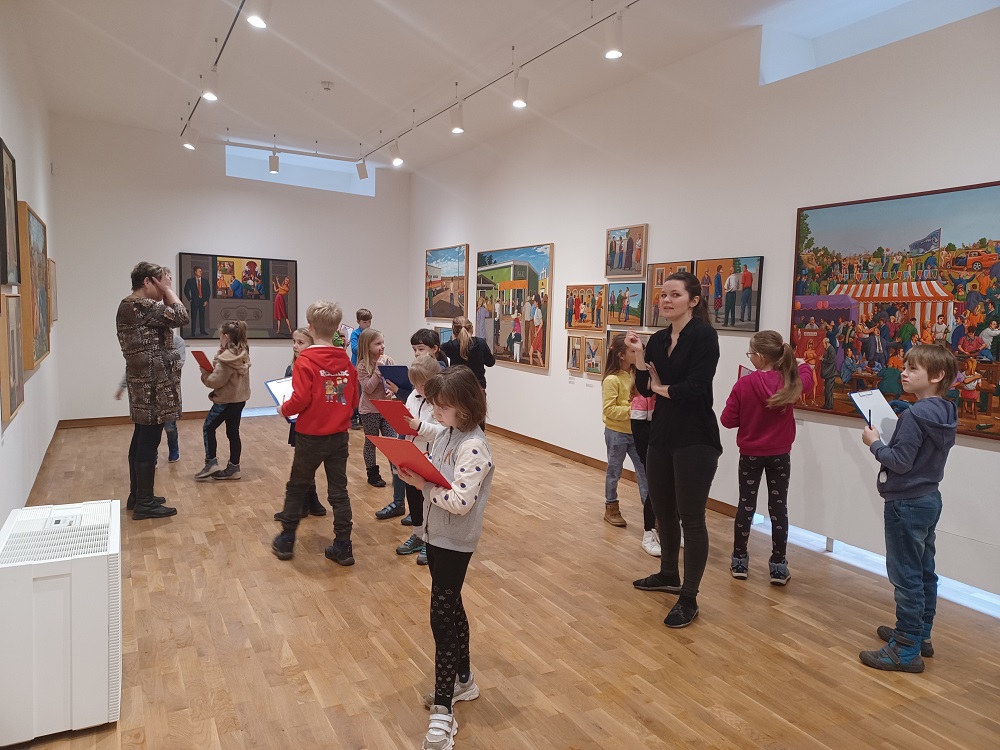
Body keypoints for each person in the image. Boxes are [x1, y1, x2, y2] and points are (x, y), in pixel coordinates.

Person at [397, 367, 493, 750]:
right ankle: (464, 680)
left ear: (465, 408)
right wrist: (417, 441)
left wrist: (423, 486)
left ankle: (443, 708)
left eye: (443, 406)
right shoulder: (449, 432)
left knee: (441, 616)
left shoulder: (475, 446)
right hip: (436, 535)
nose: (436, 411)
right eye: (434, 404)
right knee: (451, 605)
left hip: (455, 541)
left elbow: (460, 501)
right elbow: (437, 435)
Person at [628, 271, 721, 629]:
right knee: (663, 511)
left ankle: (689, 597)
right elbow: (644, 388)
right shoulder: (658, 339)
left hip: (695, 439)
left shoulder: (704, 336)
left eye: (675, 295)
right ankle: (668, 573)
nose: (666, 300)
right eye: (663, 294)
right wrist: (640, 358)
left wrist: (660, 387)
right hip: (662, 435)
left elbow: (694, 388)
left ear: (693, 301)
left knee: (692, 518)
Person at [859, 345, 957, 673]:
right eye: (905, 366)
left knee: (906, 576)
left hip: (905, 502)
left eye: (913, 369)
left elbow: (899, 462)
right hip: (929, 498)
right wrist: (906, 412)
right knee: (924, 571)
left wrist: (874, 443)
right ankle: (920, 634)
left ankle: (904, 647)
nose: (904, 372)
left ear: (937, 376)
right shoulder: (945, 410)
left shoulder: (916, 416)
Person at [720, 331, 812, 585]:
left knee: (746, 506)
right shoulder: (790, 382)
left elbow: (727, 420)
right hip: (780, 455)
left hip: (750, 455)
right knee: (778, 509)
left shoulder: (744, 384)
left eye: (751, 354)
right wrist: (803, 365)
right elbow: (806, 378)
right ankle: (778, 565)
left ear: (760, 357)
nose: (750, 358)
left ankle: (739, 560)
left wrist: (748, 415)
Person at [272, 301, 359, 564]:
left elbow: (300, 399)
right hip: (339, 436)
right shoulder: (346, 361)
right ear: (336, 328)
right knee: (339, 491)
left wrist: (284, 409)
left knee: (297, 486)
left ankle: (287, 539)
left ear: (310, 327)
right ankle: (343, 545)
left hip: (310, 435)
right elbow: (353, 400)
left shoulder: (306, 361)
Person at [116, 261, 189, 519]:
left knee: (141, 438)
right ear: (147, 281)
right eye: (162, 282)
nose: (165, 288)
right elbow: (182, 316)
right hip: (154, 385)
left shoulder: (132, 306)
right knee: (148, 441)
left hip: (145, 382)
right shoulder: (141, 305)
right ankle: (144, 503)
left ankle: (138, 496)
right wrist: (168, 291)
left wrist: (164, 289)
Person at [601, 333, 655, 552]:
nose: (637, 354)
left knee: (645, 474)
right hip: (616, 432)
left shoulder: (636, 374)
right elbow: (609, 410)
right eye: (633, 351)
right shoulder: (612, 380)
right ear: (622, 355)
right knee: (614, 471)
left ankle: (651, 514)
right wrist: (634, 410)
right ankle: (611, 506)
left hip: (637, 433)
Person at [272, 327, 327, 520]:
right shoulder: (292, 367)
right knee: (304, 464)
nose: (295, 346)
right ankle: (311, 502)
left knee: (304, 465)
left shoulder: (315, 368)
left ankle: (302, 506)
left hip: (311, 422)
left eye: (301, 342)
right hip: (298, 421)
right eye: (294, 342)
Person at [394, 354, 443, 565]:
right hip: (412, 453)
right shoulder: (413, 395)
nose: (418, 389)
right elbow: (407, 417)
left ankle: (429, 541)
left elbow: (443, 431)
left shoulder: (441, 400)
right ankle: (417, 534)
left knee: (428, 500)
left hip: (431, 458)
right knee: (413, 498)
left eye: (422, 385)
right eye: (415, 384)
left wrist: (419, 427)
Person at [115, 329, 185, 463]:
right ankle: (152, 456)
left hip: (168, 393)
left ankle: (174, 451)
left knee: (170, 427)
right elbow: (134, 367)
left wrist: (155, 359)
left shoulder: (177, 341)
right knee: (149, 430)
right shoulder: (144, 342)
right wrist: (122, 387)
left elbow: (179, 363)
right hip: (148, 395)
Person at [194, 320, 251, 481]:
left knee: (208, 428)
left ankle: (211, 463)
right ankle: (234, 467)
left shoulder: (226, 358)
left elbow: (214, 381)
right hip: (239, 400)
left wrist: (204, 372)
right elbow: (226, 374)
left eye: (220, 336)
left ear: (226, 336)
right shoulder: (243, 353)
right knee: (233, 432)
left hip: (225, 402)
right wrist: (217, 359)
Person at [355, 327, 399, 489]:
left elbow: (393, 382)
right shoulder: (362, 366)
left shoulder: (389, 360)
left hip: (386, 409)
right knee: (371, 442)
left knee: (392, 442)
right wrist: (377, 371)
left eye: (383, 342)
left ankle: (397, 473)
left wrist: (391, 392)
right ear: (367, 346)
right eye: (378, 343)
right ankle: (373, 474)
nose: (382, 346)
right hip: (370, 410)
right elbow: (368, 388)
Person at [630, 384, 661, 557]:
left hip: (670, 448)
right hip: (653, 450)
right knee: (655, 491)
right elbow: (638, 430)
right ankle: (649, 532)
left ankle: (670, 529)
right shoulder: (642, 399)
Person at [441, 316, 495, 390]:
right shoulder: (481, 343)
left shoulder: (449, 346)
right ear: (471, 328)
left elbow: (439, 356)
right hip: (478, 387)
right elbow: (490, 363)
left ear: (453, 331)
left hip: (457, 387)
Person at [350, 308, 372, 429]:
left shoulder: (371, 334)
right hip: (356, 367)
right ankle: (353, 417)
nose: (367, 324)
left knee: (366, 392)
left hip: (368, 367)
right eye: (365, 322)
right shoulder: (355, 334)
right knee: (356, 393)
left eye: (369, 322)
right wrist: (367, 347)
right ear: (358, 322)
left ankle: (364, 416)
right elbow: (354, 349)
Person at [183, 265, 210, 337]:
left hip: (203, 301)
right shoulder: (190, 281)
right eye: (199, 271)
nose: (201, 272)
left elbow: (208, 291)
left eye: (201, 271)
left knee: (202, 317)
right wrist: (190, 299)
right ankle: (193, 332)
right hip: (194, 301)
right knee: (194, 317)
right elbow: (186, 290)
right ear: (195, 272)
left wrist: (206, 300)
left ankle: (202, 331)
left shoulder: (205, 281)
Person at [820, 336, 838, 410]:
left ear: (827, 343)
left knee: (829, 390)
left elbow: (831, 360)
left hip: (830, 373)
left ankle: (829, 405)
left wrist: (823, 359)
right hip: (828, 373)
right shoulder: (829, 349)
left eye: (823, 343)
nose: (823, 345)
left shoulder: (831, 349)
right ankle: (827, 404)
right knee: (827, 390)